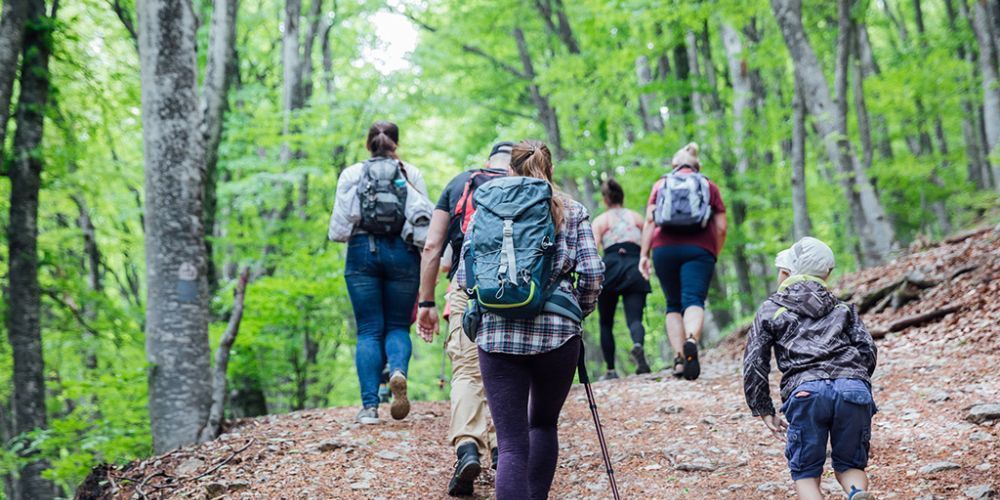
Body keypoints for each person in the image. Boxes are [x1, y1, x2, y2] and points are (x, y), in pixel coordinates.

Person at [456, 140, 603, 500]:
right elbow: (593, 274)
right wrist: (576, 310)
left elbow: (464, 277)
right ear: (549, 169)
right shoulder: (572, 209)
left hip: (496, 334)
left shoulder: (486, 209)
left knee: (509, 446)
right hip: (558, 335)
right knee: (542, 424)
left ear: (510, 170)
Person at [743, 237, 878, 500]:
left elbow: (754, 361)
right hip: (853, 387)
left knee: (805, 473)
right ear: (828, 273)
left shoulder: (772, 309)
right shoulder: (842, 308)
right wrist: (856, 382)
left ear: (788, 273)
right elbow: (867, 349)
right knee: (851, 465)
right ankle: (856, 493)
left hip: (806, 392)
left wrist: (762, 408)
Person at [416, 142, 510, 496]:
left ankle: (468, 447)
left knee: (468, 371)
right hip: (522, 292)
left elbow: (432, 247)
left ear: (489, 160)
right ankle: (506, 449)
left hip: (468, 288)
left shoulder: (462, 183)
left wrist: (426, 302)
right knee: (511, 367)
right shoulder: (531, 182)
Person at [328, 121, 428, 425]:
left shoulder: (352, 173)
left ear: (367, 143)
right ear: (395, 143)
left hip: (362, 253)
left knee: (369, 330)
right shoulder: (410, 173)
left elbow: (338, 228)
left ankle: (369, 407)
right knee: (398, 325)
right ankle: (397, 370)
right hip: (402, 254)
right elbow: (425, 222)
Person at [639, 142, 727, 380]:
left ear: (674, 165)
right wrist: (713, 251)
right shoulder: (708, 186)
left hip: (664, 249)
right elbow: (720, 227)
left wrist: (644, 255)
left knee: (673, 304)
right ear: (696, 166)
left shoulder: (661, 184)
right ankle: (691, 340)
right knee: (694, 299)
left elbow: (650, 221)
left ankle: (679, 359)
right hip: (699, 248)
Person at [590, 178, 651, 380]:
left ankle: (610, 370)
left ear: (605, 199)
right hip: (635, 266)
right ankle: (638, 345)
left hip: (611, 267)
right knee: (635, 318)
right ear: (622, 197)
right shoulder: (636, 217)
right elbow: (647, 242)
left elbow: (593, 250)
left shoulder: (601, 221)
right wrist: (644, 260)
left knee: (606, 322)